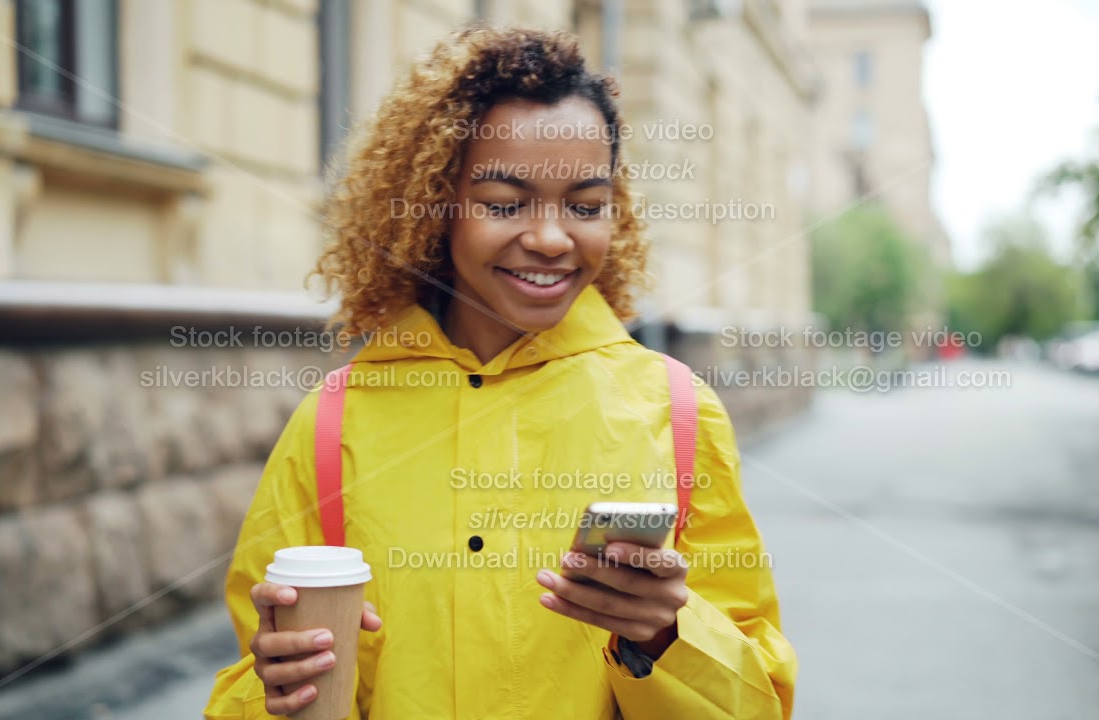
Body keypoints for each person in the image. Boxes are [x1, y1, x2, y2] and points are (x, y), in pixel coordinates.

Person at [204, 25, 796, 720]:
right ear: (438, 209)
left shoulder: (677, 411)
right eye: (505, 203)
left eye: (585, 206)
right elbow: (254, 682)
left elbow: (759, 702)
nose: (550, 238)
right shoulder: (336, 422)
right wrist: (271, 692)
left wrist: (667, 635)